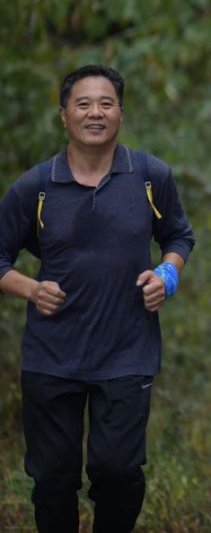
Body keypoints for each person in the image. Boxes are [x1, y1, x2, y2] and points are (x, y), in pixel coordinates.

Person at [0, 64, 196, 532]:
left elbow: (179, 236)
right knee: (52, 479)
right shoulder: (36, 187)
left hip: (127, 352)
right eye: (83, 103)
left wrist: (166, 275)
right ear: (64, 114)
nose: (95, 112)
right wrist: (30, 288)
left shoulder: (150, 176)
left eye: (106, 103)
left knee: (117, 472)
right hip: (51, 355)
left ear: (121, 114)